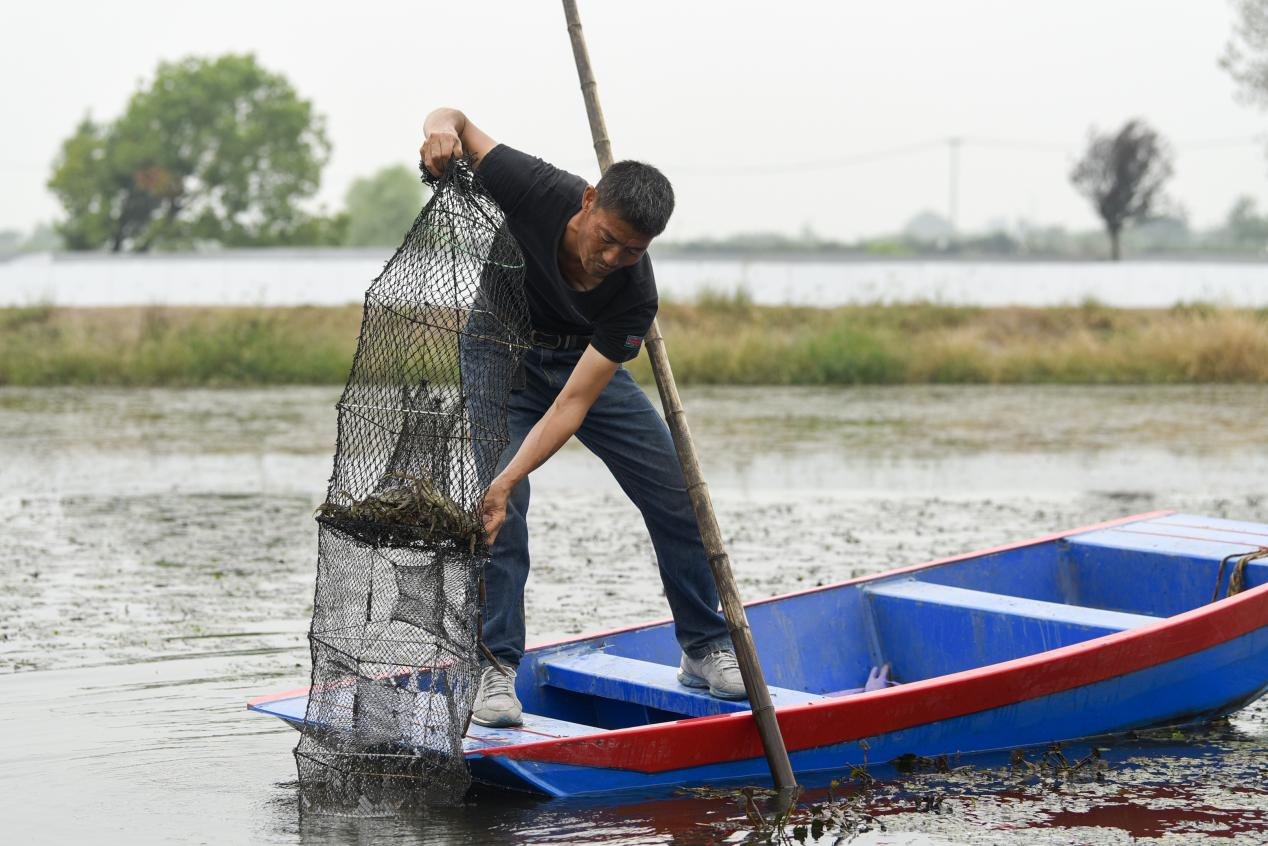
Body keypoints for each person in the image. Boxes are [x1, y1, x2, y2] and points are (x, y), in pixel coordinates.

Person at [420, 107, 741, 728]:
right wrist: (437, 129)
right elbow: (454, 118)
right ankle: (493, 667)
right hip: (498, 350)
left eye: (633, 249)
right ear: (588, 200)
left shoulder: (634, 294)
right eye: (607, 237)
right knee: (500, 513)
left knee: (677, 494)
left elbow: (571, 404)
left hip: (577, 365)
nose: (612, 257)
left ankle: (703, 646)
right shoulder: (533, 187)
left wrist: (512, 472)